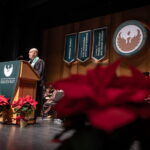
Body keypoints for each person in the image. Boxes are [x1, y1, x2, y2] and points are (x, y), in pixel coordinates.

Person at [28, 48, 45, 118]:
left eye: (30, 52)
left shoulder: (40, 61)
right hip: (30, 84)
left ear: (35, 53)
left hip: (37, 84)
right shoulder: (29, 62)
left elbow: (39, 73)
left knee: (36, 99)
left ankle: (35, 114)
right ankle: (30, 113)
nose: (28, 53)